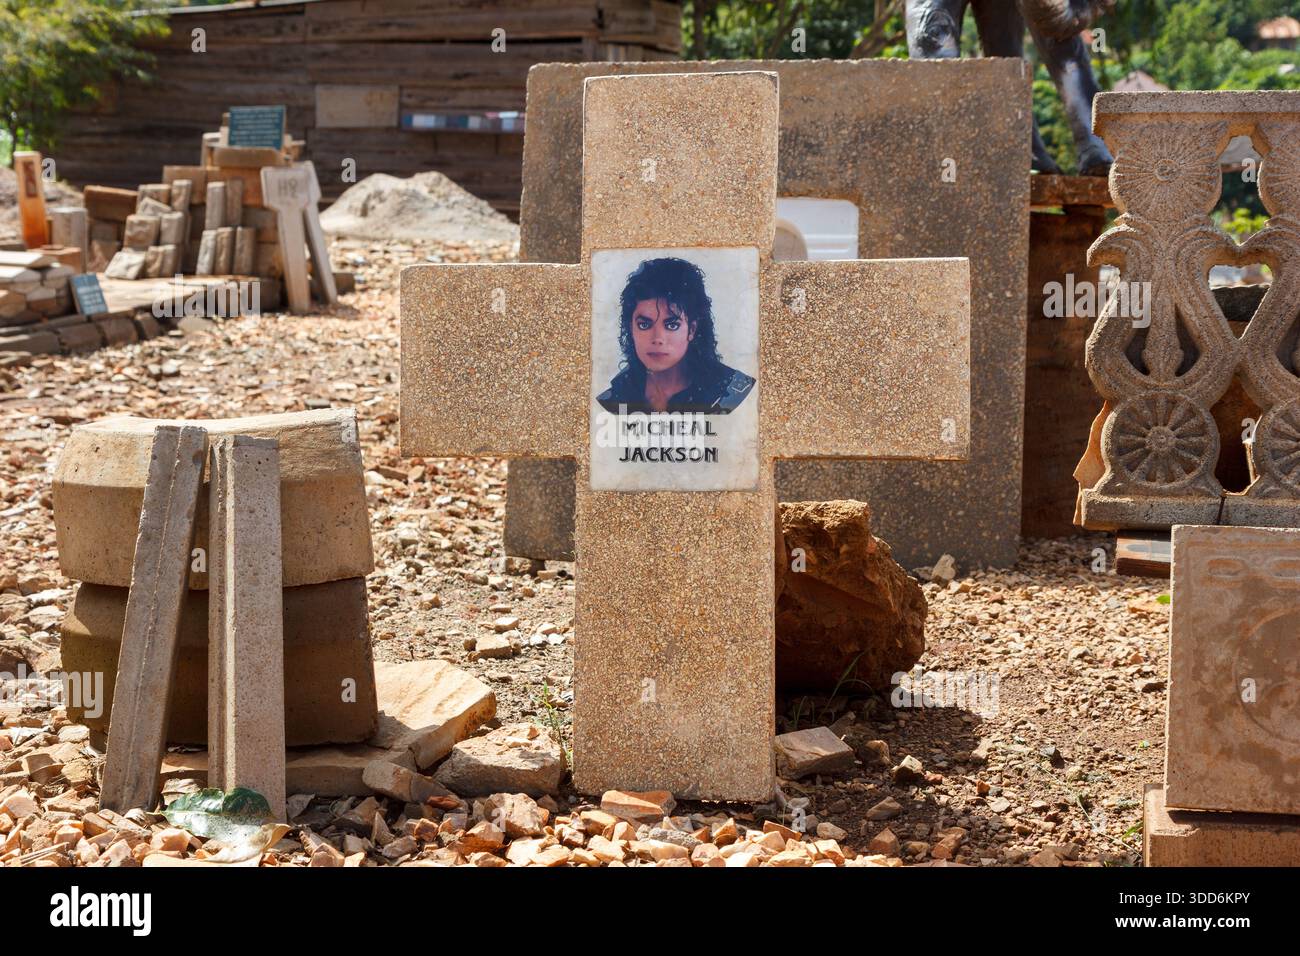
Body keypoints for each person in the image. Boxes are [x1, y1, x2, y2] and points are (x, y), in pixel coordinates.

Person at [596, 257, 755, 415]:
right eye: (644, 325)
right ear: (631, 328)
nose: (657, 338)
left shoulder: (735, 394)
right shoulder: (612, 402)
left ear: (692, 330)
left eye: (671, 325)